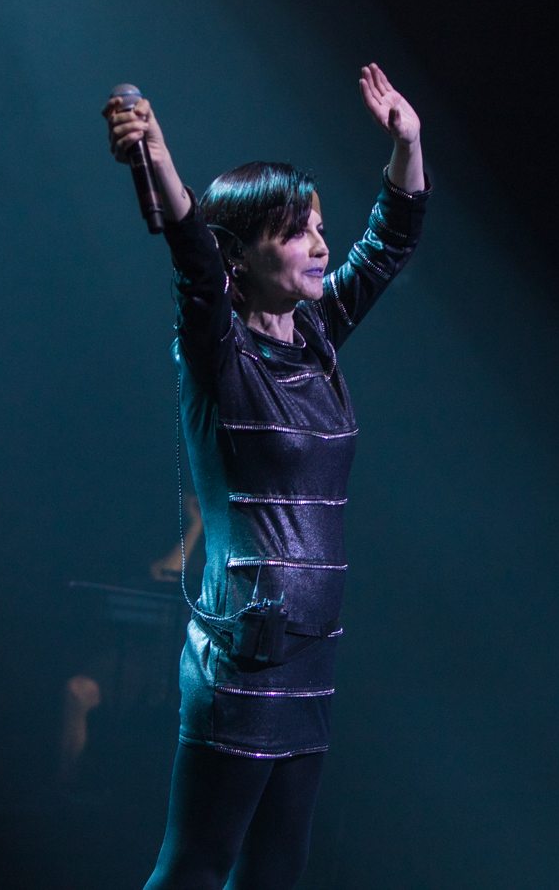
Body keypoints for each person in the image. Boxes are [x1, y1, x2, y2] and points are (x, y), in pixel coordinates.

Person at [103, 62, 429, 889]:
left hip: (312, 659)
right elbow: (189, 252)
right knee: (195, 868)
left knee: (277, 872)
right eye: (296, 231)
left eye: (320, 226)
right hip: (243, 659)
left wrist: (408, 142)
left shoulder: (315, 337)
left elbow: (390, 241)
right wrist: (162, 158)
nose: (321, 245)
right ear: (241, 254)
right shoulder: (219, 349)